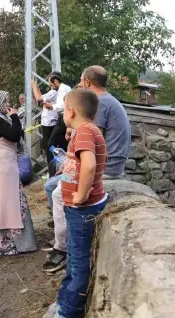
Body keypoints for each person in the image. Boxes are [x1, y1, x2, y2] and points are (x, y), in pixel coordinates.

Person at [43, 67, 131, 274]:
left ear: (89, 83)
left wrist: (79, 190)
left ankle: (62, 247)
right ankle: (62, 233)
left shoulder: (100, 103)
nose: (79, 85)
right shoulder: (106, 101)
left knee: (55, 191)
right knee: (51, 185)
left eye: (82, 81)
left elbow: (89, 150)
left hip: (106, 168)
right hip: (107, 162)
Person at [47, 89, 108, 318]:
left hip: (82, 208)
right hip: (81, 207)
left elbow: (90, 165)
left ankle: (69, 311)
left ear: (70, 111)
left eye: (64, 109)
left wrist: (81, 196)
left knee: (78, 261)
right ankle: (64, 300)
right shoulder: (89, 130)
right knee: (73, 255)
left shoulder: (83, 132)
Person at [0, 90, 38, 256]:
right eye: (5, 101)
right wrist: (14, 117)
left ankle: (8, 243)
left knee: (2, 202)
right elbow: (14, 135)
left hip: (1, 168)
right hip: (1, 169)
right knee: (5, 204)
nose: (8, 105)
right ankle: (7, 245)